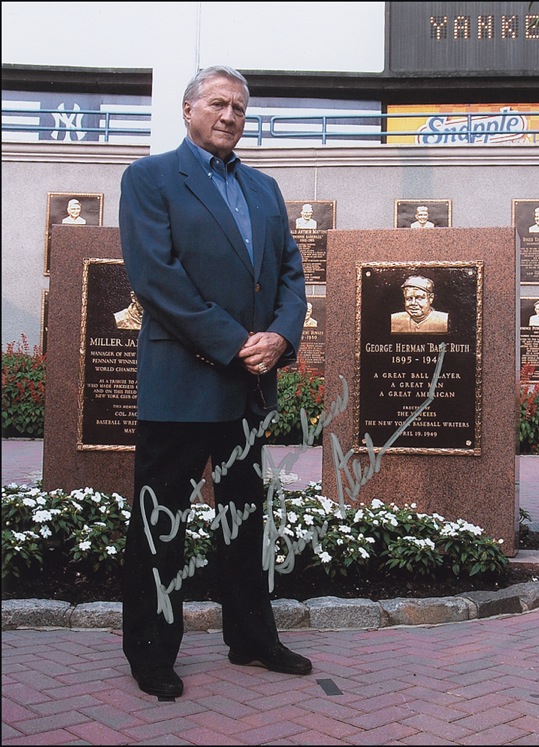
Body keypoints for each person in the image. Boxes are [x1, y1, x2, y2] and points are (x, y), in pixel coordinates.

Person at [118, 65, 311, 700]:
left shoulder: (264, 188)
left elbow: (289, 274)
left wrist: (280, 337)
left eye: (240, 108)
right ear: (188, 110)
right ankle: (151, 652)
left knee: (245, 522)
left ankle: (252, 638)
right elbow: (157, 279)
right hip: (182, 383)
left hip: (247, 388)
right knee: (161, 524)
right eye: (218, 103)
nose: (230, 116)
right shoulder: (149, 179)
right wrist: (236, 343)